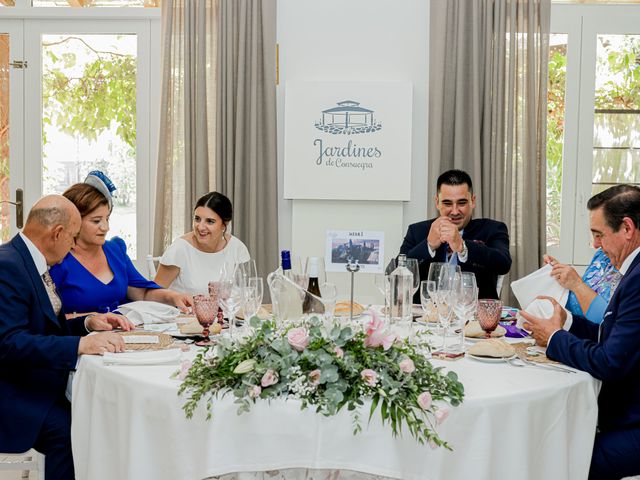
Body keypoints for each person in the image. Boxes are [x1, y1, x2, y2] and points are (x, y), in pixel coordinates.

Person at [0, 195, 132, 480]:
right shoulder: (7, 266)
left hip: (35, 380)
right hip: (13, 392)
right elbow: (9, 344)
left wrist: (87, 323)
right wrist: (79, 345)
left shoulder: (28, 260)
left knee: (101, 415)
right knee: (74, 429)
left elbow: (45, 329)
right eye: (72, 237)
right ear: (57, 233)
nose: (74, 245)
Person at [520, 184, 640, 480]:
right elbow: (611, 334)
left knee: (564, 460)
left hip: (632, 422)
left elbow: (610, 362)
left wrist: (554, 339)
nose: (596, 245)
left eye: (599, 234)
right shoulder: (632, 270)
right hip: (624, 410)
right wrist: (567, 322)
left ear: (627, 227)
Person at [50, 171, 192, 316]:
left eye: (107, 219)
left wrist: (173, 296)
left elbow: (142, 294)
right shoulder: (58, 259)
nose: (105, 227)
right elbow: (48, 319)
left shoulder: (115, 250)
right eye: (96, 221)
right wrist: (89, 319)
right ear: (75, 220)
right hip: (81, 337)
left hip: (122, 334)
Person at [399, 169, 511, 300]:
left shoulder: (492, 229)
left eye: (462, 203)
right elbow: (396, 274)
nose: (455, 211)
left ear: (473, 201)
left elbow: (504, 264)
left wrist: (463, 247)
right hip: (427, 317)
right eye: (447, 203)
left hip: (475, 316)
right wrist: (428, 246)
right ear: (437, 202)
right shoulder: (417, 231)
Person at [154, 191, 250, 295]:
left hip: (228, 311)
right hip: (183, 311)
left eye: (210, 221)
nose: (200, 227)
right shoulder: (179, 249)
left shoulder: (237, 248)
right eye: (197, 219)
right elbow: (154, 295)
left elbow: (245, 293)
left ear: (224, 224)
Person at [544, 248, 621, 324]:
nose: (595, 244)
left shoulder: (629, 273)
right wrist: (559, 272)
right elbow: (587, 288)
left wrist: (577, 284)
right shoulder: (601, 254)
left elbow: (607, 321)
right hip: (570, 329)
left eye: (600, 235)